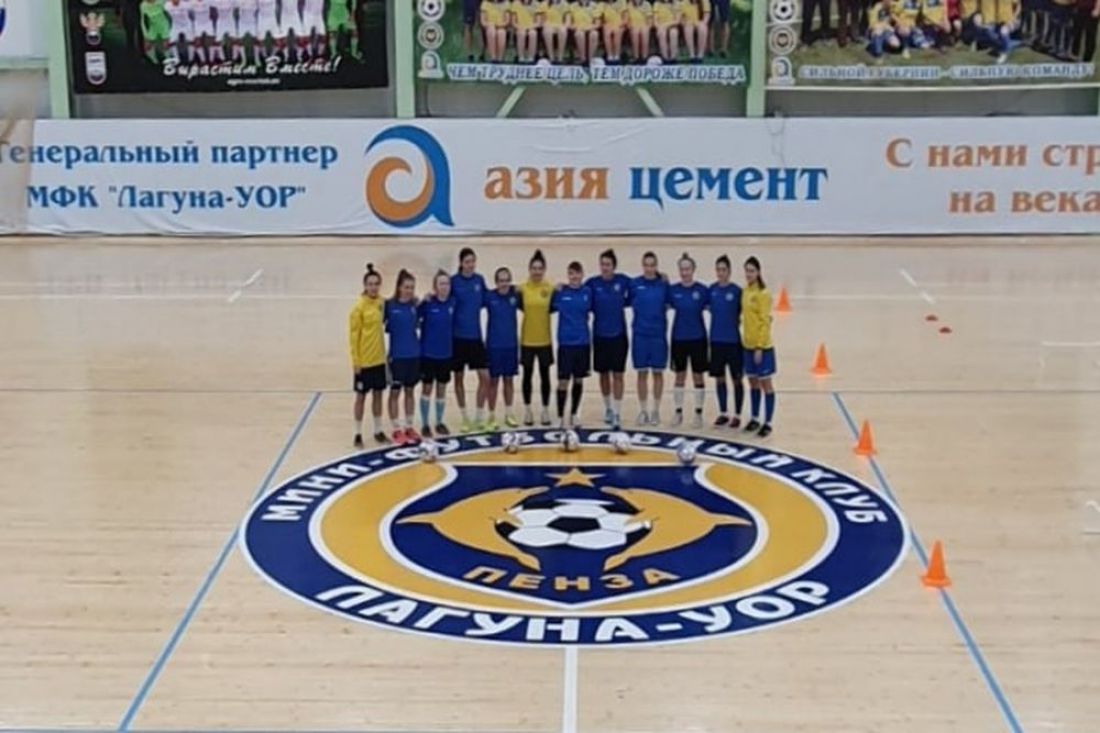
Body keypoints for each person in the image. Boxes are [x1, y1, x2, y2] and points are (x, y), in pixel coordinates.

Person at [586, 249, 631, 430]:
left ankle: (618, 413)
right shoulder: (592, 284)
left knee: (618, 375)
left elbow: (640, 285)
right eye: (602, 264)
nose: (605, 267)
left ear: (614, 266)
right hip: (600, 336)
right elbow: (577, 290)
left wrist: (660, 276)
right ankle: (608, 409)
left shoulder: (623, 281)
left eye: (608, 265)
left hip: (618, 336)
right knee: (603, 374)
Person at [668, 252, 710, 429]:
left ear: (693, 270)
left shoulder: (702, 290)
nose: (685, 272)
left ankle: (698, 413)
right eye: (682, 269)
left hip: (698, 339)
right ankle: (678, 412)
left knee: (698, 375)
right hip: (679, 338)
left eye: (687, 269)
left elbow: (714, 308)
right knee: (680, 375)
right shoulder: (673, 290)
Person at [349, 264, 388, 448]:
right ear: (365, 285)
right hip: (364, 362)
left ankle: (378, 430)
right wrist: (356, 361)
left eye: (376, 284)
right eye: (370, 284)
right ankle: (357, 433)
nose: (373, 287)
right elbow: (353, 336)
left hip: (379, 359)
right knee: (361, 397)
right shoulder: (358, 308)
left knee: (378, 395)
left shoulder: (381, 303)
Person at [452, 248, 491, 433]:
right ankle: (464, 417)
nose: (470, 265)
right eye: (467, 262)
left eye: (473, 261)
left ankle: (479, 416)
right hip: (457, 338)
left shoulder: (479, 280)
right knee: (458, 379)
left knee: (485, 377)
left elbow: (489, 298)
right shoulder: (453, 281)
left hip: (475, 338)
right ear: (461, 263)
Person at [628, 251, 670, 426]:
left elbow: (670, 303)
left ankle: (656, 411)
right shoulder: (634, 284)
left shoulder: (664, 285)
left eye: (652, 265)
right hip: (640, 335)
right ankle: (643, 410)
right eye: (646, 265)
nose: (649, 268)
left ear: (656, 266)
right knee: (642, 373)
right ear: (642, 266)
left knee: (658, 373)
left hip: (658, 336)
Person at [551, 262, 594, 429]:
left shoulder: (587, 292)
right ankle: (560, 416)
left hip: (582, 343)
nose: (574, 277)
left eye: (577, 273)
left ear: (582, 274)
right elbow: (548, 306)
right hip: (565, 344)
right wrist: (554, 289)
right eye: (571, 274)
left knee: (578, 380)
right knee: (563, 381)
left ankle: (575, 414)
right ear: (568, 275)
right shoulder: (561, 293)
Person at [385, 270, 422, 446]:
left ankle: (409, 426)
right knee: (394, 393)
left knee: (410, 392)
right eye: (406, 287)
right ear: (399, 287)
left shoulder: (415, 306)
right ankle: (396, 429)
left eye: (412, 288)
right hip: (397, 357)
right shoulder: (389, 306)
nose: (409, 290)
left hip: (414, 355)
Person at [418, 271, 455, 439]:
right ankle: (425, 424)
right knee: (427, 389)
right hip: (428, 355)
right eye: (441, 283)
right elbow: (414, 316)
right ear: (435, 286)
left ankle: (439, 422)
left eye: (447, 283)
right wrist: (420, 301)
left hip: (446, 355)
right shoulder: (428, 304)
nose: (444, 287)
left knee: (441, 389)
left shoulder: (453, 303)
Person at [742, 256, 776, 437]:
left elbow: (765, 321)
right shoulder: (745, 291)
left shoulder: (763, 294)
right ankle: (755, 417)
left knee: (766, 383)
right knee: (753, 382)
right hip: (747, 345)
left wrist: (760, 347)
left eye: (752, 271)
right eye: (747, 271)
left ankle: (768, 422)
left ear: (758, 272)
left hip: (761, 348)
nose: (749, 274)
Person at [519, 250, 555, 426]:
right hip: (527, 340)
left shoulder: (550, 289)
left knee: (545, 376)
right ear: (529, 269)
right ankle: (527, 410)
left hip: (544, 340)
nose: (537, 271)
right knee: (527, 376)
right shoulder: (522, 289)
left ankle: (545, 410)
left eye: (540, 268)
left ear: (544, 270)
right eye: (534, 268)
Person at [709, 255, 744, 428]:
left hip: (733, 342)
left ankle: (737, 414)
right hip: (716, 341)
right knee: (719, 378)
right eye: (718, 270)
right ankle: (723, 412)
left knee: (736, 379)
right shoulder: (711, 290)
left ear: (729, 271)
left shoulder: (737, 291)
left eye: (723, 269)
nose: (720, 273)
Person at [485, 268, 521, 430]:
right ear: (496, 282)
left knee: (509, 380)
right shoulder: (489, 297)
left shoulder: (515, 296)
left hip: (511, 346)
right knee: (493, 382)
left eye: (507, 280)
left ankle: (509, 413)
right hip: (493, 346)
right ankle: (491, 416)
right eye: (501, 280)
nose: (504, 284)